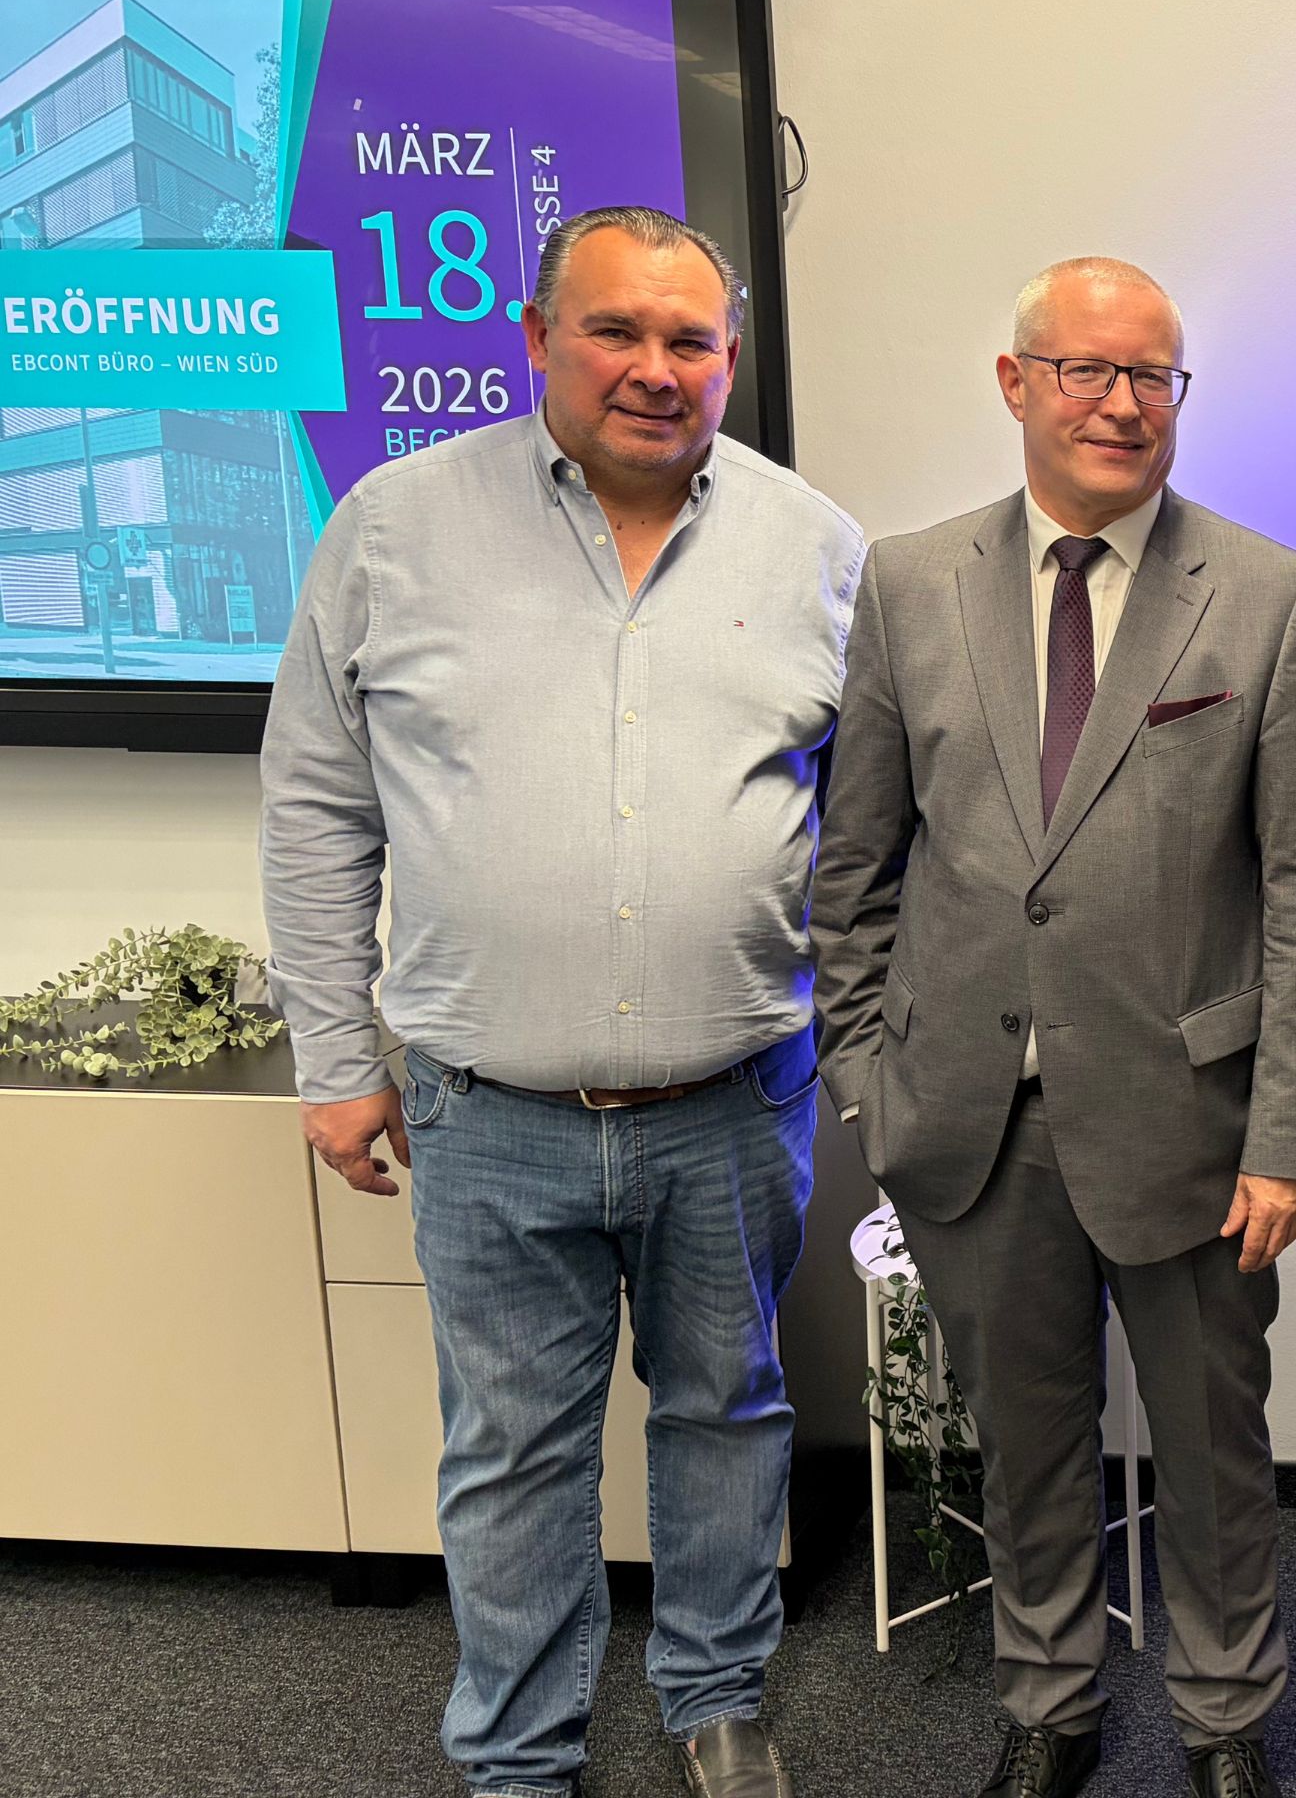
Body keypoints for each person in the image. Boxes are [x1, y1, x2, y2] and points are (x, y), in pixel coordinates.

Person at [261, 205, 861, 1798]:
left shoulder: (815, 546)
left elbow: (869, 830)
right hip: (486, 1110)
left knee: (729, 1413)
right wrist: (335, 1060)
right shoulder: (392, 528)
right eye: (617, 332)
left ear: (730, 358)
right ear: (534, 338)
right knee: (512, 1449)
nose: (656, 370)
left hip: (734, 1099)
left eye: (691, 340)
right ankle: (519, 1748)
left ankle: (714, 1688)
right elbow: (318, 808)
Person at [810, 257, 1296, 1798]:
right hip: (969, 1121)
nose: (1123, 404)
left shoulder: (1266, 597)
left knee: (1212, 1451)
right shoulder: (909, 586)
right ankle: (1048, 1700)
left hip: (1191, 1121)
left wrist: (1288, 1137)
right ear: (1017, 383)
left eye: (1155, 377)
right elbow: (851, 868)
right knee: (1027, 1443)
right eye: (1088, 371)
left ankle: (1223, 1718)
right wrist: (872, 1081)